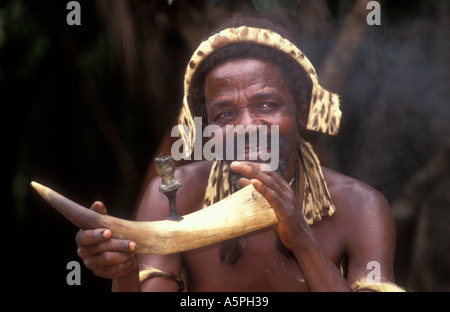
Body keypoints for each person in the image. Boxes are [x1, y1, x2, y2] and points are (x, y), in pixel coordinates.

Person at [76, 16, 402, 292]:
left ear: (301, 111)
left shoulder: (360, 207)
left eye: (267, 105)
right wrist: (124, 271)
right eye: (225, 115)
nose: (247, 127)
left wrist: (301, 238)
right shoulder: (175, 196)